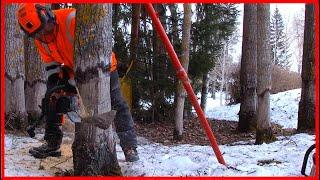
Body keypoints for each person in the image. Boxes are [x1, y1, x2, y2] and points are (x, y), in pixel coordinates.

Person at [16, 3, 139, 162]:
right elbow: (51, 66)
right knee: (51, 97)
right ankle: (52, 142)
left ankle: (129, 146)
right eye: (38, 35)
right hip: (71, 68)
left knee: (116, 102)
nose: (43, 37)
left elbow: (93, 54)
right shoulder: (40, 37)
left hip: (102, 66)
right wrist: (57, 87)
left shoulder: (72, 20)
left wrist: (74, 83)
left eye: (45, 31)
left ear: (49, 16)